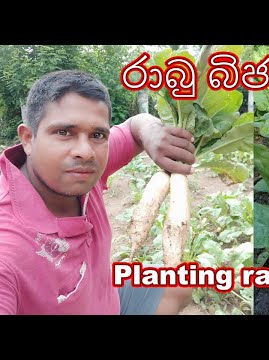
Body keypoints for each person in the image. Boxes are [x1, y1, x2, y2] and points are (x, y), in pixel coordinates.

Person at [0, 69, 195, 315]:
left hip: (105, 297)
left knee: (180, 284)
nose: (85, 151)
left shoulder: (84, 166)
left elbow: (135, 125)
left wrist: (152, 132)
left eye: (97, 134)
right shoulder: (7, 246)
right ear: (28, 139)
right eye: (64, 132)